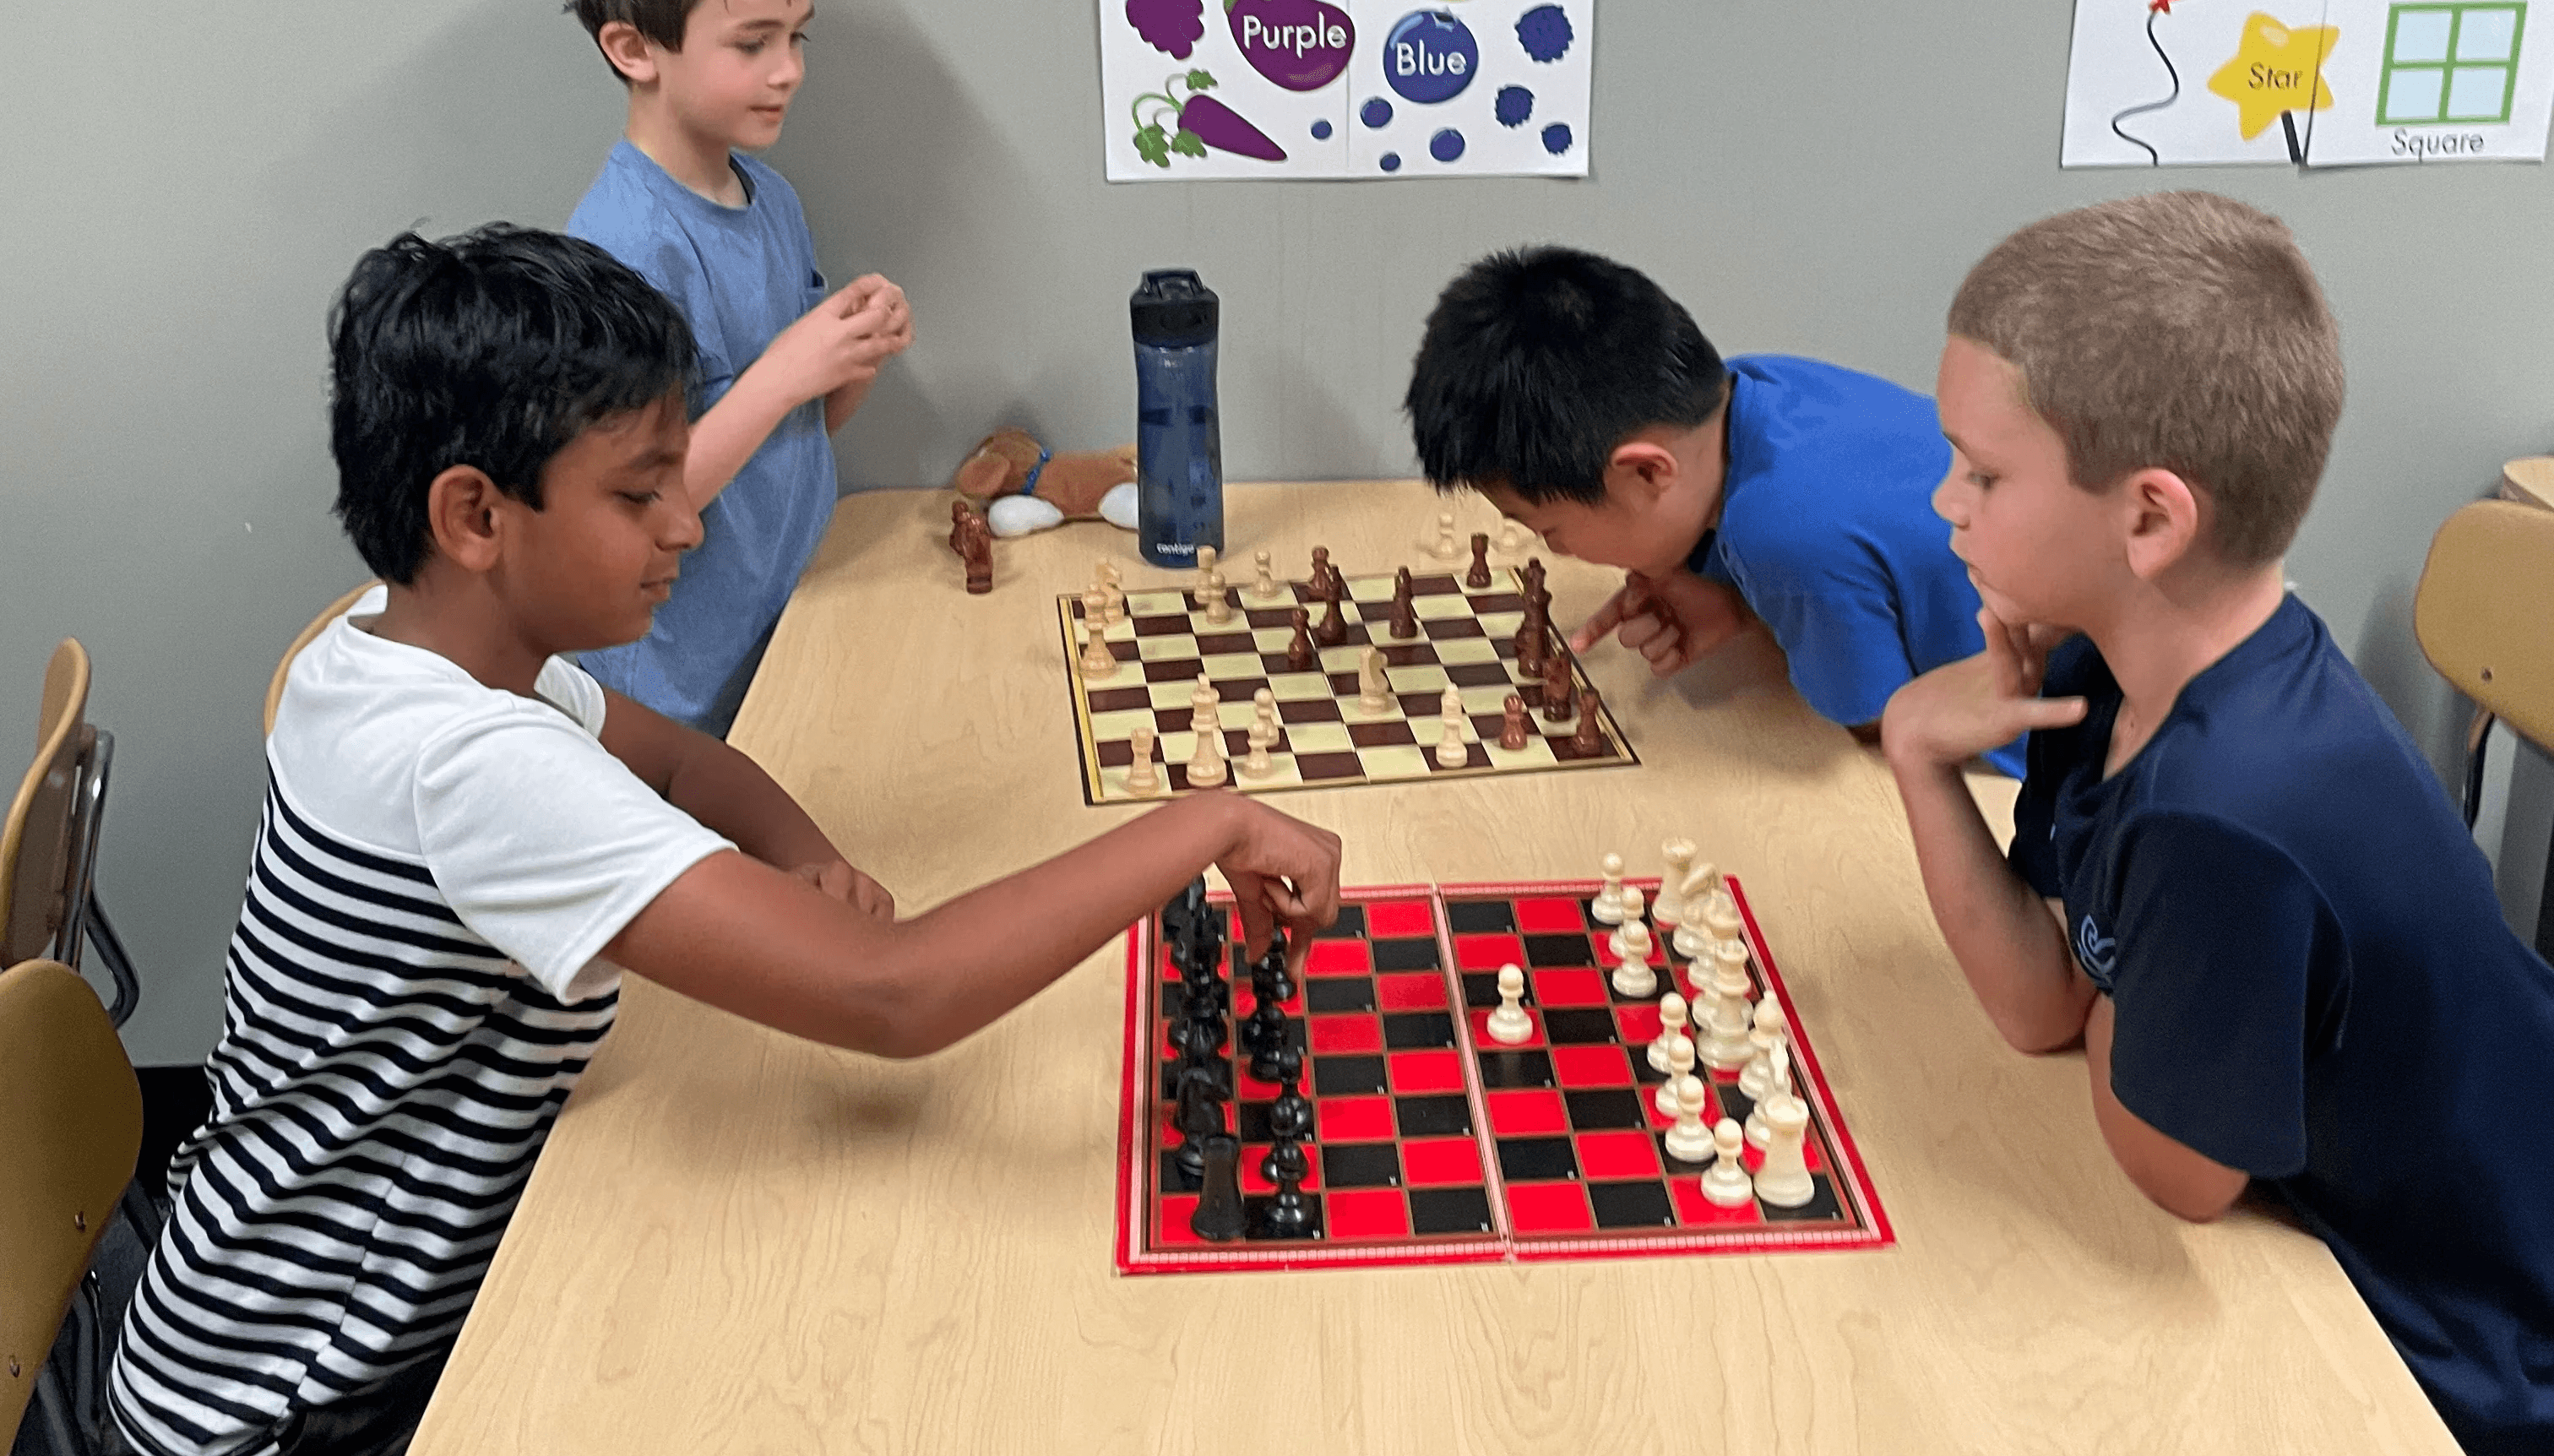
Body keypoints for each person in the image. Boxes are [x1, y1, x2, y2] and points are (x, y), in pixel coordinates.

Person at [104, 226, 1339, 1456]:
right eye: (640, 493)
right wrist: (1203, 821)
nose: (686, 527)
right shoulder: (472, 766)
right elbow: (896, 999)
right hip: (297, 1406)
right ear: (476, 515)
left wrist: (800, 864)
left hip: (285, 1313)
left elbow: (688, 762)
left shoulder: (403, 649)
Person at [1881, 190, 2554, 1453]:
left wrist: (2116, 987)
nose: (1942, 504)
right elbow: (2044, 1007)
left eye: (1982, 472)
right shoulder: (2113, 675)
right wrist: (1919, 755)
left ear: (2149, 518)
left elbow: (2177, 1177)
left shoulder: (2228, 813)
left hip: (2466, 1345)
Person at [1404, 245, 2019, 774]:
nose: (1556, 550)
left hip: (2062, 752)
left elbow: (1875, 721)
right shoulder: (1759, 383)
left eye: (1551, 531)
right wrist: (1737, 599)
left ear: (1646, 470)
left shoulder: (1781, 533)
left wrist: (1770, 597)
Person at [564, 0, 911, 735]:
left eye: (796, 37)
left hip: (785, 636)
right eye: (753, 44)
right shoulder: (623, 245)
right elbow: (635, 508)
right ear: (633, 50)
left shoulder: (773, 200)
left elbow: (801, 433)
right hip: (675, 697)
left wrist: (854, 354)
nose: (789, 70)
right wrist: (787, 370)